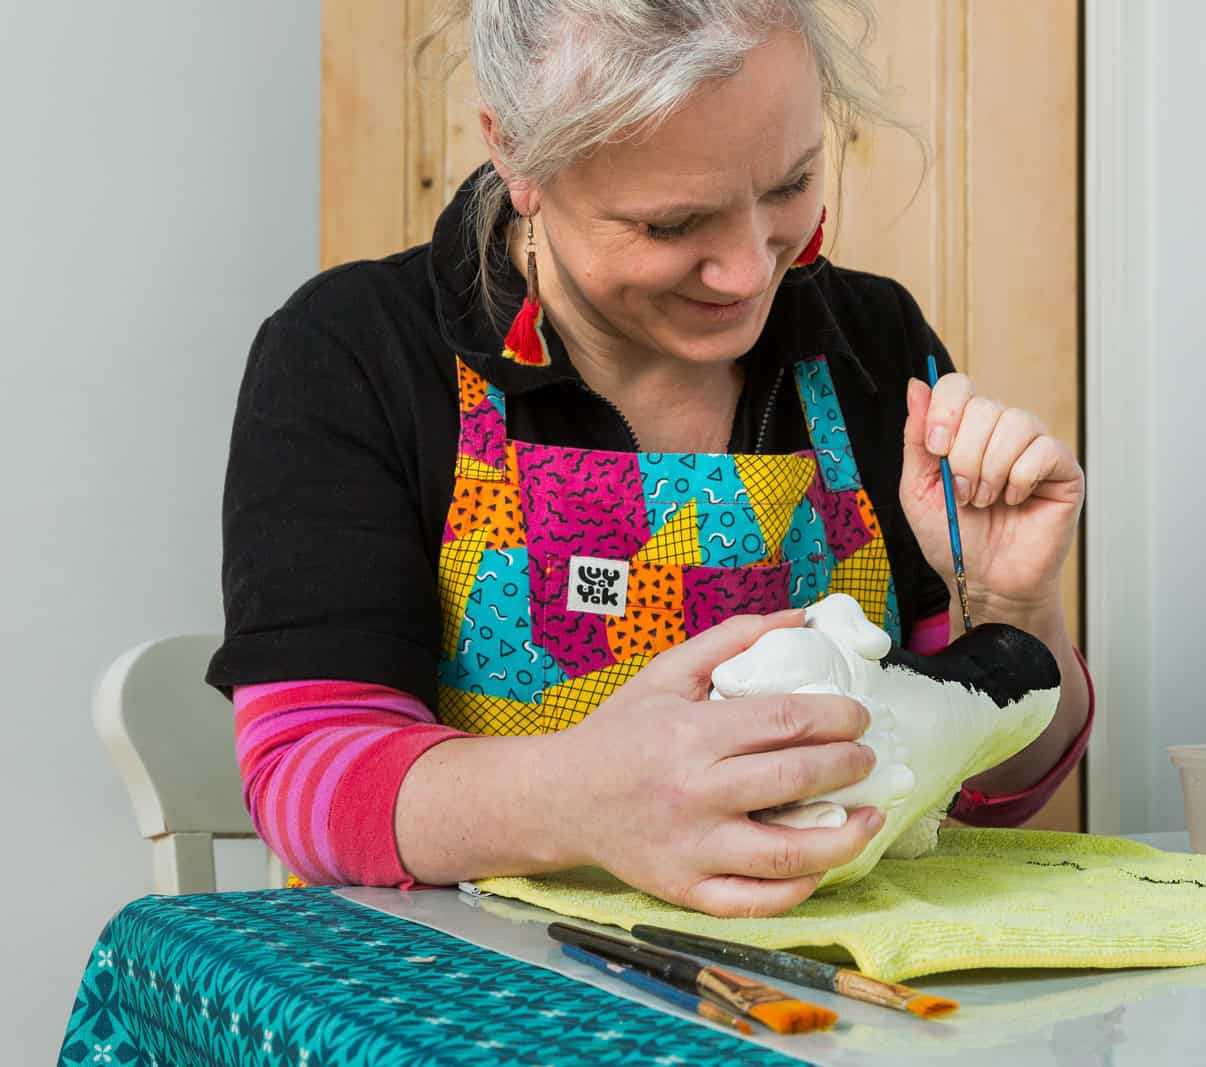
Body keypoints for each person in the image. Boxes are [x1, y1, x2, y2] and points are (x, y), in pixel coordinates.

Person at [208, 0, 1092, 918]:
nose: (751, 271)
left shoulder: (871, 343)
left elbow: (993, 789)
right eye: (672, 225)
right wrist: (582, 800)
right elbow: (307, 776)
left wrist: (1013, 609)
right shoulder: (354, 353)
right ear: (516, 155)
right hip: (468, 995)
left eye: (789, 187)